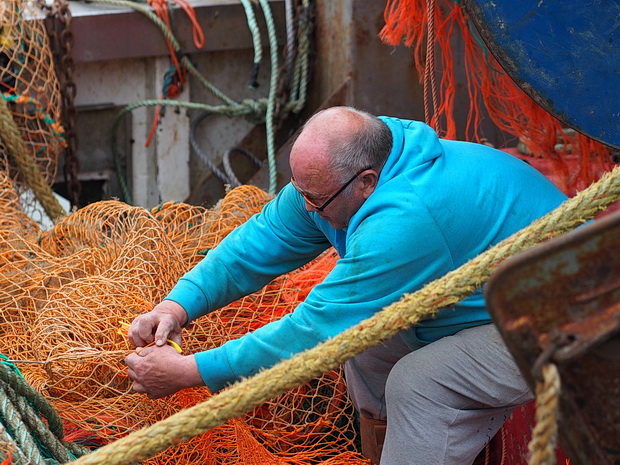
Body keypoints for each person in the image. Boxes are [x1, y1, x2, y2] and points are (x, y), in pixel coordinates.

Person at [125, 106, 568, 464]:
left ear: (367, 182)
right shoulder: (351, 167)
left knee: (419, 383)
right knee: (368, 340)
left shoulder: (405, 219)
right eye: (299, 192)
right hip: (493, 298)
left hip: (573, 316)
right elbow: (259, 243)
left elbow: (311, 332)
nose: (306, 209)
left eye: (315, 201)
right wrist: (176, 306)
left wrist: (191, 372)